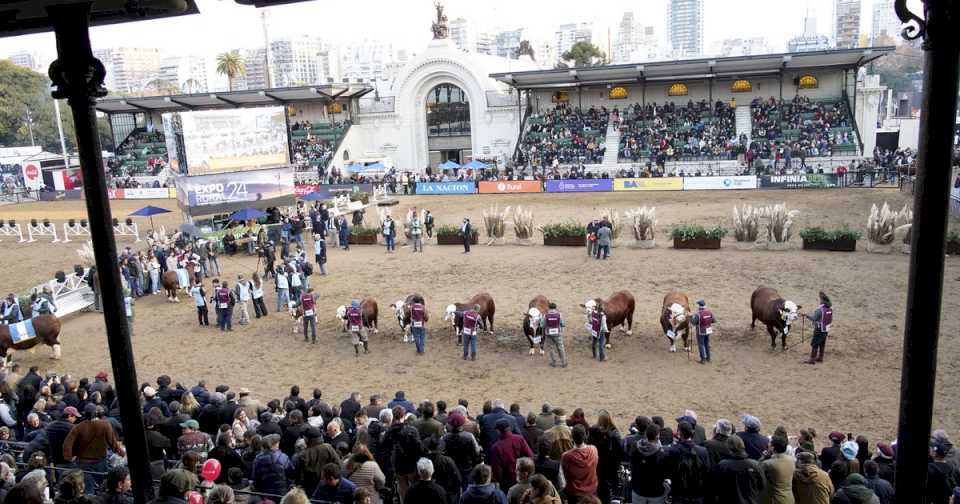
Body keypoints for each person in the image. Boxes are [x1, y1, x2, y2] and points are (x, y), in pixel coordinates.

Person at [63, 405, 126, 493]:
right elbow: (113, 442)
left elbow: (67, 444)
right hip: (100, 462)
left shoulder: (78, 427)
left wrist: (69, 458)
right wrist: (121, 452)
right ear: (96, 413)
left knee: (88, 489)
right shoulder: (105, 424)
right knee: (104, 486)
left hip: (83, 463)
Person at [708, 435, 765, 503]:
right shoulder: (755, 464)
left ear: (728, 449)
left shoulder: (722, 465)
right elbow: (762, 486)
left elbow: (714, 487)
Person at [665, 421, 708, 504]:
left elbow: (668, 472)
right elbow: (706, 472)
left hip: (679, 495)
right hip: (696, 494)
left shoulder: (673, 450)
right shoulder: (703, 451)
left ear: (679, 433)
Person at [490, 420, 534, 493]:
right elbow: (530, 456)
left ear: (498, 431)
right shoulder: (520, 439)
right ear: (509, 428)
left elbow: (497, 471)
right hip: (523, 477)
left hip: (507, 482)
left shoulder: (496, 447)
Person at [629, 424, 669, 504]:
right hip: (655, 493)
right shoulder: (662, 454)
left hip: (638, 490)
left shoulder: (635, 446)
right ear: (657, 436)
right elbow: (665, 473)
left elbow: (632, 463)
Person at [561, 425, 598, 501]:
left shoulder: (566, 456)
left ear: (572, 438)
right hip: (591, 492)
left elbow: (564, 475)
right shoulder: (593, 450)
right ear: (585, 436)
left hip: (575, 494)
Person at [759, 434, 793, 504]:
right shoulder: (791, 460)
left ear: (773, 448)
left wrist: (763, 457)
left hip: (774, 499)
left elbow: (756, 470)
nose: (768, 444)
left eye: (770, 443)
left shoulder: (767, 463)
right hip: (789, 498)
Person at [804, 291, 833, 364]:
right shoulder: (830, 309)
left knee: (814, 344)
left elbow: (814, 318)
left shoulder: (819, 310)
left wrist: (806, 315)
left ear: (822, 302)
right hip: (825, 330)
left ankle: (812, 360)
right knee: (822, 343)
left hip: (819, 329)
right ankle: (820, 357)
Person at [687, 300, 715, 364]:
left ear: (699, 306)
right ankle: (708, 358)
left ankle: (703, 359)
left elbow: (693, 323)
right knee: (707, 344)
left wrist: (690, 317)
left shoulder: (698, 314)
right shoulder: (710, 312)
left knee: (701, 345)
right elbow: (713, 320)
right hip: (708, 330)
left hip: (701, 331)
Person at [544, 303, 567, 368]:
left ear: (549, 308)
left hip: (549, 334)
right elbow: (563, 324)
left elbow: (542, 325)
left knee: (551, 348)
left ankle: (554, 362)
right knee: (560, 348)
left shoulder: (546, 315)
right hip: (558, 334)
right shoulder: (559, 315)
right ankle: (564, 362)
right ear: (555, 308)